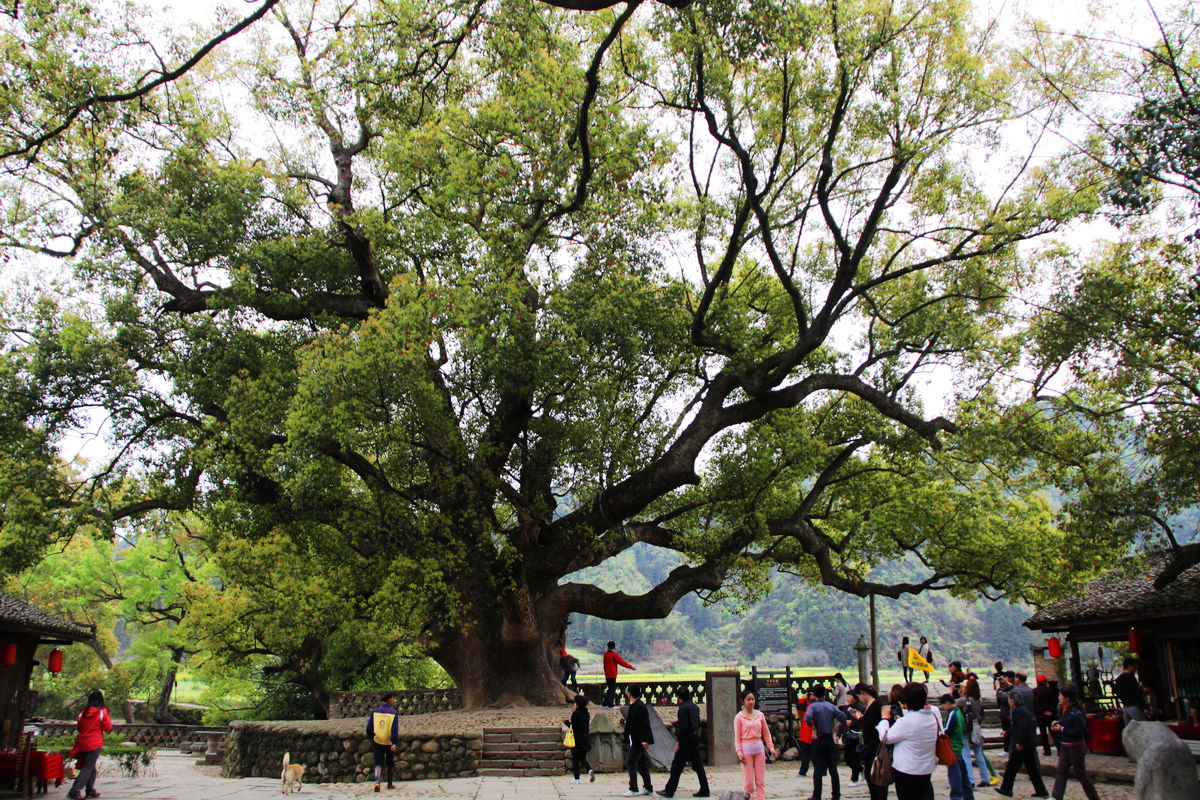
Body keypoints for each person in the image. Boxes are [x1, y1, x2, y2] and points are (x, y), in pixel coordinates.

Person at [876, 682, 939, 800]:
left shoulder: (906, 721)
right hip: (925, 768)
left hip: (907, 770)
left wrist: (884, 719)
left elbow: (886, 738)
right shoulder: (931, 716)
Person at [1049, 687, 1101, 800]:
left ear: (1067, 698)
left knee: (1080, 774)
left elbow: (1078, 730)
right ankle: (1056, 796)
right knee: (1061, 771)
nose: (1059, 697)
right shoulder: (1063, 709)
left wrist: (1062, 729)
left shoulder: (1076, 713)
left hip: (1076, 746)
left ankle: (1094, 797)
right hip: (1065, 745)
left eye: (1061, 695)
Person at [657, 688, 709, 798]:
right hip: (694, 737)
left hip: (686, 740)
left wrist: (678, 741)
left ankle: (669, 790)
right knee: (698, 765)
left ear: (679, 698)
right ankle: (705, 789)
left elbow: (683, 727)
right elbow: (695, 722)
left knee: (677, 765)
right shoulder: (695, 707)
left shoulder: (683, 708)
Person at [996, 692, 1049, 798]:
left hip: (1023, 745)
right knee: (1032, 769)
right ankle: (1041, 791)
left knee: (1011, 768)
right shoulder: (1022, 710)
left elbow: (1023, 728)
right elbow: (1018, 726)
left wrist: (1020, 742)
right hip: (1028, 744)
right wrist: (1008, 731)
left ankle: (1006, 789)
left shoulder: (1019, 711)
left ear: (1012, 700)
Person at [66, 689, 113, 800]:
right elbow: (108, 728)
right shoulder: (101, 711)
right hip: (94, 743)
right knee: (88, 767)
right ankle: (75, 790)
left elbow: (79, 727)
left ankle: (90, 790)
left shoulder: (83, 712)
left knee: (91, 767)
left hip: (82, 743)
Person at [804, 684, 848, 800]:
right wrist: (835, 726)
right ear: (824, 694)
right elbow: (843, 716)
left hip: (818, 738)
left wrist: (813, 727)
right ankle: (836, 794)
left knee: (818, 769)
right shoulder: (831, 706)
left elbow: (807, 718)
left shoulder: (812, 707)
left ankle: (817, 795)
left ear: (813, 695)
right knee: (833, 768)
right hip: (829, 738)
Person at [735, 691, 776, 800]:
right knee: (748, 782)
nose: (751, 702)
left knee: (760, 780)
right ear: (743, 701)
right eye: (748, 699)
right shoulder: (739, 717)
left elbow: (766, 733)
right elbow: (737, 737)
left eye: (752, 699)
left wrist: (771, 747)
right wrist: (739, 752)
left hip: (759, 749)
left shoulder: (759, 715)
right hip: (746, 750)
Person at [957, 677, 997, 788]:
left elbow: (952, 703)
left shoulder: (964, 700)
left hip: (966, 727)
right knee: (979, 753)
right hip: (976, 726)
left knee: (966, 754)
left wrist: (956, 692)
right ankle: (985, 778)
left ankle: (970, 779)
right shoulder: (979, 700)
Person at [852, 683, 888, 800]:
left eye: (859, 696)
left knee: (874, 775)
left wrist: (860, 719)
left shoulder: (875, 706)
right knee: (870, 775)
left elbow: (870, 725)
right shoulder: (870, 706)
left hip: (874, 745)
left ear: (863, 693)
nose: (860, 700)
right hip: (869, 744)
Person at [939, 694, 975, 800]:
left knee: (955, 776)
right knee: (963, 775)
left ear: (947, 704)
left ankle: (957, 797)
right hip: (958, 748)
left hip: (953, 748)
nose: (943, 708)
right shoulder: (959, 712)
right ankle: (968, 796)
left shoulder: (953, 713)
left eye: (943, 705)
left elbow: (947, 730)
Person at [622, 687, 654, 796]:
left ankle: (633, 788)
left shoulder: (638, 707)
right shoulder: (636, 706)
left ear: (630, 694)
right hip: (637, 738)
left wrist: (645, 740)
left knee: (630, 762)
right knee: (641, 764)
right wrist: (626, 725)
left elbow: (643, 724)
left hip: (639, 740)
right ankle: (648, 787)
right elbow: (634, 723)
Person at [366, 693, 400, 791]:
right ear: (389, 700)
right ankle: (389, 784)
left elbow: (369, 727)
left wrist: (372, 737)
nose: (393, 701)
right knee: (389, 762)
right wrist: (394, 742)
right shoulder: (393, 713)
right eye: (392, 699)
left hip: (377, 740)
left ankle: (377, 782)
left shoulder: (375, 712)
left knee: (378, 762)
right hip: (388, 741)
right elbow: (394, 729)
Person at [565, 694, 595, 784]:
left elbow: (573, 727)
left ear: (577, 704)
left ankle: (576, 778)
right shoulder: (586, 713)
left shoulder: (576, 714)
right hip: (585, 738)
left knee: (575, 759)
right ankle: (589, 770)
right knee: (582, 758)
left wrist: (566, 722)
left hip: (577, 739)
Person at [603, 641, 635, 708]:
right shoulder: (613, 655)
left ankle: (605, 703)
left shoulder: (605, 655)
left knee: (610, 688)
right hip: (612, 674)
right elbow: (622, 662)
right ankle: (610, 705)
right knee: (612, 689)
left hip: (607, 674)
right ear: (614, 647)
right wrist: (631, 667)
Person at [1112, 658, 1145, 723]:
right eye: (1135, 666)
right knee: (1143, 726)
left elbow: (1116, 692)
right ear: (1130, 666)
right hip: (1134, 707)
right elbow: (1137, 692)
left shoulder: (1119, 679)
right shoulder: (1131, 678)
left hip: (1125, 708)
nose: (1136, 668)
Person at [1032, 676, 1058, 756]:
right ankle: (1060, 749)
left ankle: (1047, 751)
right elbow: (1055, 702)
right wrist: (1051, 711)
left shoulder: (1034, 691)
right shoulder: (1051, 691)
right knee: (1054, 732)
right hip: (1051, 715)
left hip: (1040, 715)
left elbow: (1034, 704)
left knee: (1043, 734)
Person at [795, 692, 814, 776]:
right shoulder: (816, 704)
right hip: (810, 732)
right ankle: (821, 770)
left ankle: (803, 771)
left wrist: (803, 698)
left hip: (807, 731)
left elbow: (798, 706)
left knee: (806, 753)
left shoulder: (805, 705)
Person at [996, 674, 1013, 751]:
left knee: (1008, 732)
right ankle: (1007, 748)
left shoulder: (1013, 690)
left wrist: (998, 688)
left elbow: (1002, 696)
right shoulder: (1009, 688)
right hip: (1006, 714)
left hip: (1008, 714)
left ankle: (1008, 749)